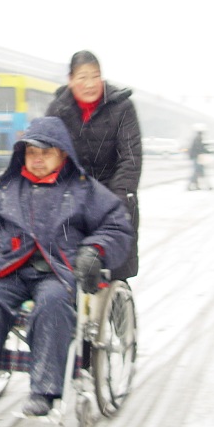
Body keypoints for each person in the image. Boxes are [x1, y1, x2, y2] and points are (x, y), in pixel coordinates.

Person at [0, 116, 134, 417]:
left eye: (46, 152)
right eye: (31, 153)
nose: (38, 159)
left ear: (62, 154)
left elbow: (116, 227)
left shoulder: (85, 191)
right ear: (22, 155)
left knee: (53, 304)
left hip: (58, 271)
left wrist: (95, 250)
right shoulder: (7, 190)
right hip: (10, 268)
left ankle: (44, 391)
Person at [45, 50, 142, 282]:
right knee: (64, 274)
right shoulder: (58, 110)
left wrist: (118, 201)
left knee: (111, 270)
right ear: (70, 80)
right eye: (82, 77)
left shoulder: (122, 107)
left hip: (112, 195)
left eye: (95, 76)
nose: (90, 84)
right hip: (72, 198)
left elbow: (130, 158)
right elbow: (47, 155)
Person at [187, 126, 212, 191]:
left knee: (198, 172)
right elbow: (199, 148)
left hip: (197, 157)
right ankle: (190, 186)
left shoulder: (197, 139)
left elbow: (200, 147)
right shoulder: (198, 139)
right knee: (197, 172)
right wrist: (207, 151)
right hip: (197, 157)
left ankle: (196, 186)